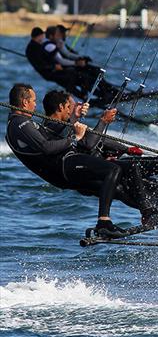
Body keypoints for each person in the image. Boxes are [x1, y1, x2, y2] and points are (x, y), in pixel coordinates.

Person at [5, 84, 145, 238]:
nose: (35, 104)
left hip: (61, 171)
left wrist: (73, 118)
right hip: (63, 169)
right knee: (114, 170)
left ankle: (152, 210)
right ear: (25, 102)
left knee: (117, 189)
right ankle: (105, 221)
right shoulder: (19, 123)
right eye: (33, 100)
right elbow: (47, 147)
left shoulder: (21, 123)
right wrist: (75, 137)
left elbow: (56, 135)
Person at [25, 27, 84, 98]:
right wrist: (54, 66)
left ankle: (81, 95)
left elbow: (46, 57)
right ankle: (82, 96)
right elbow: (40, 64)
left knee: (72, 74)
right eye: (43, 35)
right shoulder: (33, 48)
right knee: (71, 75)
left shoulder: (36, 45)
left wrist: (57, 49)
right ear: (39, 36)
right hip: (49, 72)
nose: (44, 37)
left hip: (52, 69)